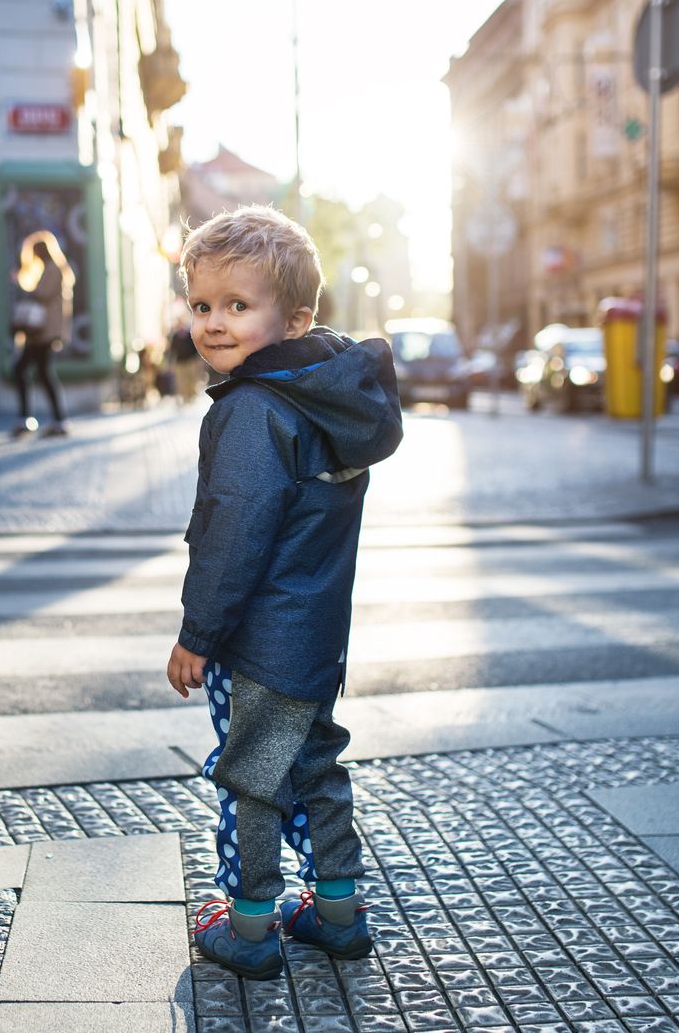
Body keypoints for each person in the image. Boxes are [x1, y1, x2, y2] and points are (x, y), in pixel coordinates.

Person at [166, 206, 403, 979]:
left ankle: (250, 926)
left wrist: (198, 632)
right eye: (203, 305)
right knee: (315, 769)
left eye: (239, 306)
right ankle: (337, 912)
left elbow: (234, 532)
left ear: (295, 316)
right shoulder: (324, 398)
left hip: (260, 638)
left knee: (251, 776)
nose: (214, 324)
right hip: (316, 636)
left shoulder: (251, 410)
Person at [11, 231, 73, 437]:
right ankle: (53, 419)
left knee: (27, 371)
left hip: (44, 332)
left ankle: (45, 419)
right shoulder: (50, 269)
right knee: (40, 373)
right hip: (41, 333)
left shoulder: (54, 269)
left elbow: (42, 295)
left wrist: (21, 285)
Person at [167, 313, 202, 403]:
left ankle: (192, 396)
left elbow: (195, 348)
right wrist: (170, 362)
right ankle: (185, 397)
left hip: (190, 361)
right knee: (182, 381)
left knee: (191, 379)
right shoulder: (175, 336)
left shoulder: (189, 334)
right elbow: (172, 350)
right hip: (180, 361)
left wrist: (198, 360)